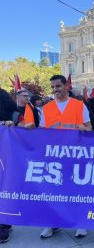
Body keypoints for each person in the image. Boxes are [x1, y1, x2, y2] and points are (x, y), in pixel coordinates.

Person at [38, 74, 91, 239]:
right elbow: (42, 133)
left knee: (76, 190)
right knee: (54, 190)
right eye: (53, 87)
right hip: (54, 156)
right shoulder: (46, 108)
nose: (55, 90)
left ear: (66, 86)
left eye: (58, 86)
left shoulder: (79, 105)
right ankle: (52, 223)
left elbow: (90, 128)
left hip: (76, 155)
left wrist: (83, 128)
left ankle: (80, 223)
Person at [0, 88, 24, 243]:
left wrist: (14, 126)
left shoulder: (14, 116)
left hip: (7, 159)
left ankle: (4, 224)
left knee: (5, 189)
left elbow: (24, 129)